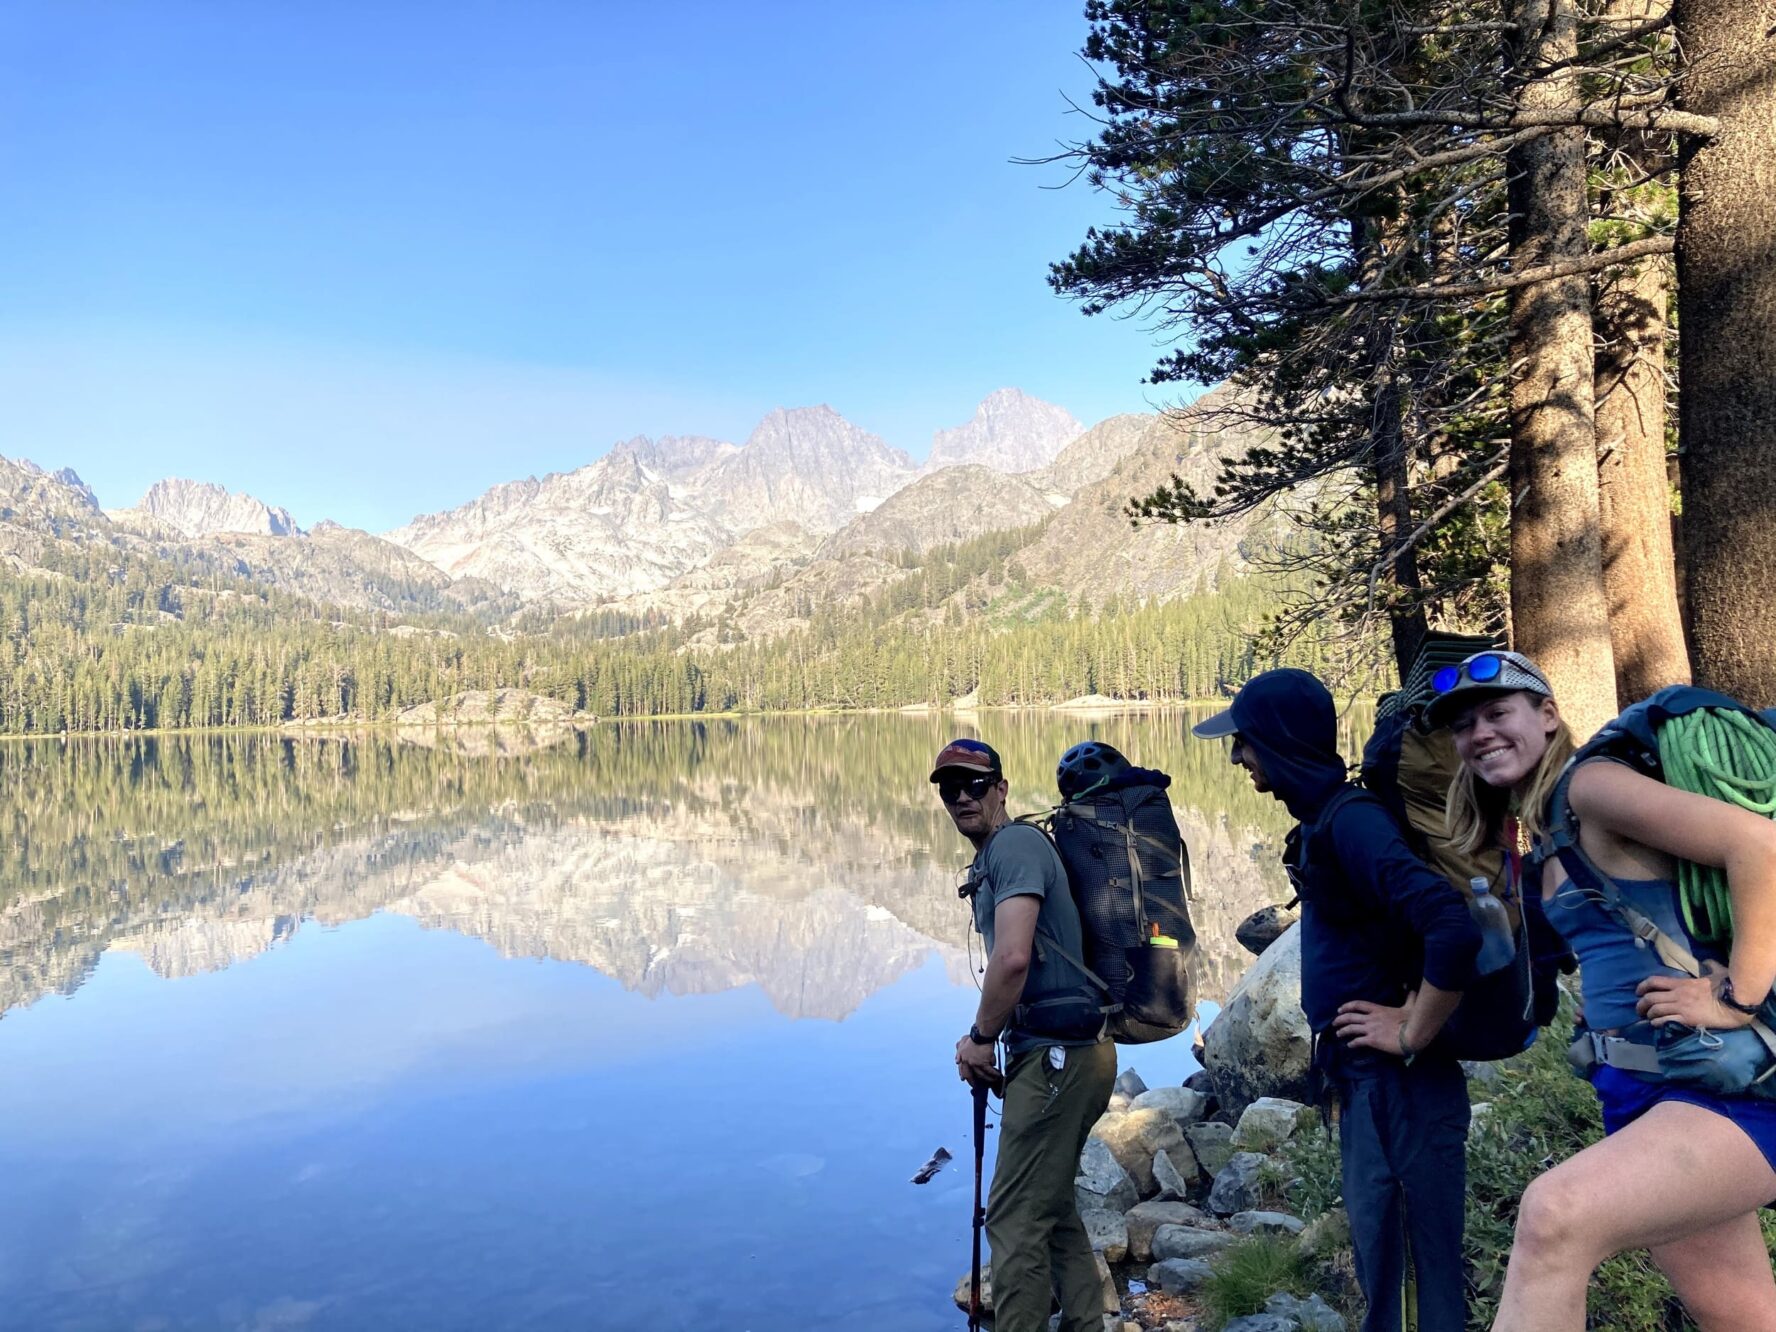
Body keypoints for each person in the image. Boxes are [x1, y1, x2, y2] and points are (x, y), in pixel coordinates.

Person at [1430, 650, 1776, 1331]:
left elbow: (1759, 847)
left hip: (1727, 1089)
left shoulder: (1590, 787)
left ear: (1550, 717)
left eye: (1498, 713)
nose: (1479, 734)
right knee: (1741, 1319)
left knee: (1554, 1217)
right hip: (1648, 1090)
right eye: (1464, 726)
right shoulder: (1549, 826)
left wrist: (1737, 997)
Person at [1193, 669, 1480, 1332]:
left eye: (1245, 742)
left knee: (1410, 1275)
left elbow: (1450, 924)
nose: (1238, 757)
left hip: (1399, 1088)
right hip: (1369, 1085)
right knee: (1385, 1267)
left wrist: (1411, 1031)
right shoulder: (1328, 819)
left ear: (1278, 739)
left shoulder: (1352, 823)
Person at [932, 737, 1117, 1332]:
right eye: (948, 787)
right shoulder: (999, 856)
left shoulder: (1013, 845)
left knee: (1011, 1218)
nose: (961, 796)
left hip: (1060, 1057)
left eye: (974, 785)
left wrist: (979, 1037)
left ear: (1002, 790)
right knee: (1052, 1206)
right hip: (1069, 1052)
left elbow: (1012, 959)